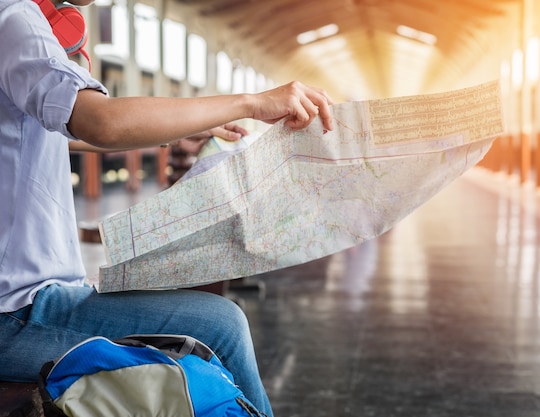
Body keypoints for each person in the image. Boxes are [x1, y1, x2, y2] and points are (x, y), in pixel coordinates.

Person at [0, 0, 334, 415]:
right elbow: (99, 121)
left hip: (25, 300)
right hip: (16, 314)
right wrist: (251, 102)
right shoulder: (14, 16)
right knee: (220, 326)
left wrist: (191, 125)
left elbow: (47, 129)